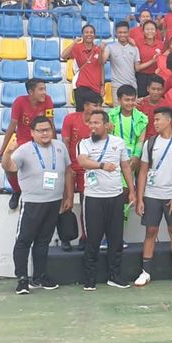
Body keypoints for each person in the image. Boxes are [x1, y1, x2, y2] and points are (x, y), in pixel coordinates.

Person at [3, 116, 73, 294]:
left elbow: (67, 171)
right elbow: (9, 167)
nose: (45, 133)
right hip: (32, 203)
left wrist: (69, 196)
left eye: (48, 129)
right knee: (24, 241)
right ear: (32, 133)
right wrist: (7, 153)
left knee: (43, 241)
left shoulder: (60, 147)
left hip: (54, 201)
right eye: (40, 130)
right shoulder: (24, 150)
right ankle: (22, 279)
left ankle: (39, 276)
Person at [134, 106, 172, 287]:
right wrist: (140, 198)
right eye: (154, 120)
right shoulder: (149, 143)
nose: (155, 123)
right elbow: (143, 172)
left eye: (158, 119)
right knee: (150, 231)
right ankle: (145, 272)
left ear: (169, 121)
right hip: (152, 195)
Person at [77, 110, 137, 290]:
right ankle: (90, 278)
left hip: (116, 196)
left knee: (116, 239)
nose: (92, 126)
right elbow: (83, 162)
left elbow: (126, 166)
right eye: (90, 123)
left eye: (96, 123)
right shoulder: (84, 143)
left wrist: (132, 190)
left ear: (106, 125)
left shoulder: (118, 142)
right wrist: (102, 165)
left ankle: (115, 275)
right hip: (94, 198)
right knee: (93, 239)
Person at [0, 78, 55, 210]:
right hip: (22, 143)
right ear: (31, 92)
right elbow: (12, 126)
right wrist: (2, 150)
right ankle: (16, 191)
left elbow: (51, 123)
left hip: (41, 142)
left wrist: (53, 145)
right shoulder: (20, 102)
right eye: (41, 89)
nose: (44, 92)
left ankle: (48, 194)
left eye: (45, 89)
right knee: (8, 166)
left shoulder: (48, 100)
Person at [61, 93, 103, 251]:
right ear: (85, 106)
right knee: (66, 203)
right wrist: (68, 166)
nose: (98, 108)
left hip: (88, 170)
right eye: (95, 105)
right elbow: (65, 142)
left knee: (87, 204)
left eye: (99, 105)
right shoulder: (71, 119)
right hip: (71, 168)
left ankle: (85, 237)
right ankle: (65, 238)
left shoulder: (98, 124)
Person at [108, 84, 148, 173]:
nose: (130, 103)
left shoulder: (142, 119)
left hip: (131, 158)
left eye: (132, 100)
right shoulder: (110, 117)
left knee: (128, 185)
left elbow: (140, 140)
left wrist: (136, 156)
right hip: (113, 156)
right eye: (127, 100)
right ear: (119, 100)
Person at [103, 21, 140, 105]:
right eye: (120, 32)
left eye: (125, 32)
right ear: (116, 33)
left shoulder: (134, 48)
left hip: (132, 85)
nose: (122, 34)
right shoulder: (110, 47)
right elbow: (102, 61)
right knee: (117, 112)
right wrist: (102, 50)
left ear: (128, 32)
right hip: (117, 86)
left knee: (132, 113)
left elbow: (137, 68)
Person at [134, 20, 164, 97]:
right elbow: (137, 68)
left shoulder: (161, 44)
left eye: (152, 29)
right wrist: (152, 61)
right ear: (143, 31)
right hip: (141, 77)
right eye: (147, 29)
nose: (150, 31)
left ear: (156, 31)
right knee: (142, 100)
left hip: (156, 77)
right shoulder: (138, 43)